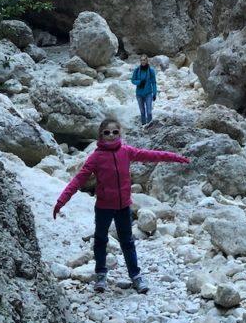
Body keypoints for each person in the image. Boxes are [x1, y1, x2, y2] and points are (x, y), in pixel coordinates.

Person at [53, 116, 190, 293]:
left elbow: (152, 155)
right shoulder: (96, 157)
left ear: (120, 133)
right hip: (103, 207)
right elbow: (78, 180)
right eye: (106, 133)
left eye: (115, 132)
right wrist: (61, 201)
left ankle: (135, 276)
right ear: (101, 136)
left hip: (123, 206)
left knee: (127, 241)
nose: (111, 135)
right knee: (100, 240)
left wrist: (176, 157)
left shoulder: (126, 152)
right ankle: (101, 275)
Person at [131, 54, 158, 127]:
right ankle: (143, 126)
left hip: (148, 94)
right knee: (142, 112)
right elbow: (132, 80)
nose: (143, 61)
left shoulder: (151, 71)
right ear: (140, 61)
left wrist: (155, 93)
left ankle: (150, 127)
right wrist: (139, 82)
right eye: (141, 60)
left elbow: (154, 83)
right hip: (139, 94)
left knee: (149, 112)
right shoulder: (136, 70)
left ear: (147, 60)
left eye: (144, 60)